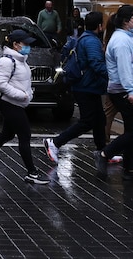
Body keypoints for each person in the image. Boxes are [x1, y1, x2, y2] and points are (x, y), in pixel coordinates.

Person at [0, 29, 50, 184]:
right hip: (10, 103)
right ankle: (32, 173)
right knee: (25, 135)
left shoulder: (21, 60)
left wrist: (27, 94)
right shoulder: (7, 61)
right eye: (25, 44)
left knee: (7, 134)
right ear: (15, 44)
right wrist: (21, 95)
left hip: (15, 103)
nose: (28, 47)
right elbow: (0, 83)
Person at [93, 5, 133, 181]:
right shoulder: (121, 41)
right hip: (125, 91)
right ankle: (105, 154)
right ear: (126, 21)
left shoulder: (128, 37)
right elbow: (124, 69)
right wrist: (132, 91)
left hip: (128, 90)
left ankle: (131, 168)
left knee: (132, 128)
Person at [45, 12, 108, 164]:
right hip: (86, 86)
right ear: (100, 26)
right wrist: (112, 74)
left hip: (87, 85)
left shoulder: (84, 38)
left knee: (100, 119)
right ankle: (55, 142)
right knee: (87, 121)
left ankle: (104, 152)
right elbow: (95, 63)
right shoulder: (92, 41)